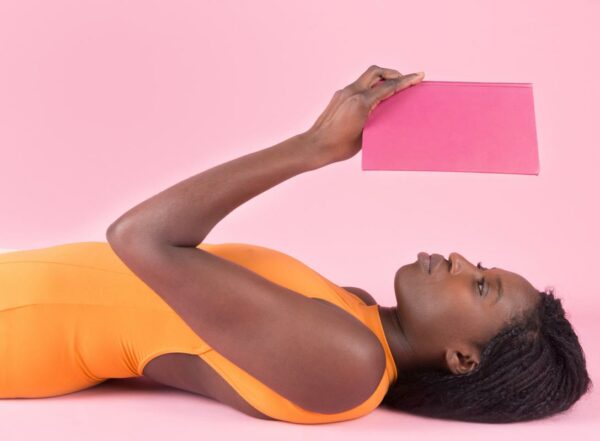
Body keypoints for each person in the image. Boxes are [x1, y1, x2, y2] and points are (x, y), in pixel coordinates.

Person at [0, 66, 591, 424]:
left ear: (463, 359)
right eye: (481, 267)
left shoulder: (349, 364)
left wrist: (313, 147)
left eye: (480, 285)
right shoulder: (353, 312)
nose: (462, 261)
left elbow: (138, 240)